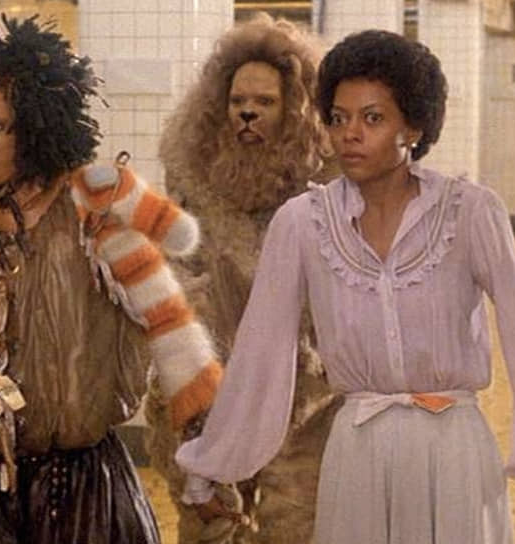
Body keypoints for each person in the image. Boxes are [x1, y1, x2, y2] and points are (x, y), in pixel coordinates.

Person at [176, 29, 515, 544]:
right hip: (357, 451)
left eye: (372, 118)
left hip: (453, 451)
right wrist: (212, 463)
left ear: (414, 126)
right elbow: (261, 354)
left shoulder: (470, 212)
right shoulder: (303, 223)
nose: (350, 134)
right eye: (338, 118)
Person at [0, 8, 224, 544]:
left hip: (86, 501)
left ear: (36, 126)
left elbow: (173, 332)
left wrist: (208, 460)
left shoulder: (91, 214)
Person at [151, 14, 338, 543]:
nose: (248, 112)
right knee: (208, 525)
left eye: (265, 102)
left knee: (294, 524)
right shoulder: (191, 177)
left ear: (296, 110)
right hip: (210, 390)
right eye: (237, 101)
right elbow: (172, 272)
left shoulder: (326, 189)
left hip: (301, 393)